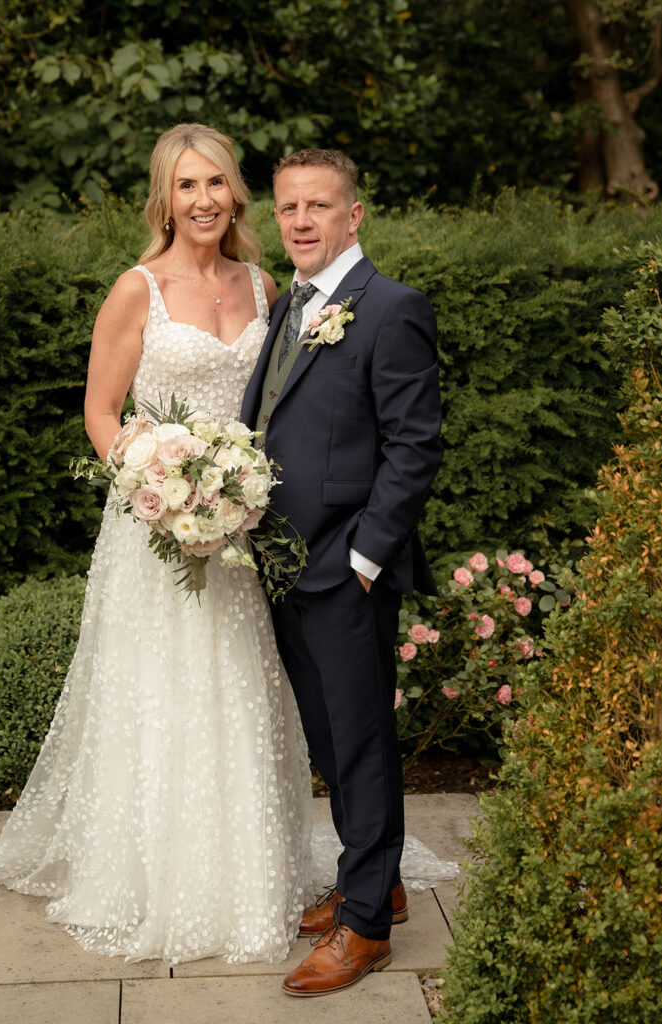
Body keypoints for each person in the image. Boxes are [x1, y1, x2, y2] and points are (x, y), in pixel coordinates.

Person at [0, 124, 314, 965]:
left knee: (238, 686)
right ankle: (148, 876)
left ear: (235, 192)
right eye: (186, 186)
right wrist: (162, 485)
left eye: (215, 182)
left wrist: (229, 494)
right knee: (161, 691)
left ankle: (249, 869)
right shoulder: (135, 289)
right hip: (155, 524)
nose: (204, 200)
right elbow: (101, 413)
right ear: (163, 199)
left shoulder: (264, 287)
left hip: (240, 523)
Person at [240, 148, 443, 996]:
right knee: (329, 738)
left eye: (317, 206)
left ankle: (364, 931)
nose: (299, 220)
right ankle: (379, 883)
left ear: (353, 215)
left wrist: (365, 559)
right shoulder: (290, 306)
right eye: (288, 207)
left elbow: (414, 443)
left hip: (344, 570)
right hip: (285, 566)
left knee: (359, 744)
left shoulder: (389, 308)